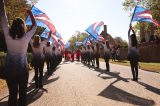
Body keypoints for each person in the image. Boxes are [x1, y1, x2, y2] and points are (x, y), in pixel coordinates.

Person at [0, 0, 37, 105]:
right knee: (22, 95)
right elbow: (34, 26)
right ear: (23, 26)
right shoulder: (26, 38)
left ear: (12, 26)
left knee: (12, 95)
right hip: (23, 72)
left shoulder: (8, 36)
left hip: (9, 72)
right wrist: (30, 13)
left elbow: (3, 17)